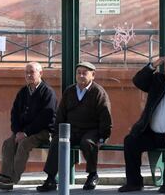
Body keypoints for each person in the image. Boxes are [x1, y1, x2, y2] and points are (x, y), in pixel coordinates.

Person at [118, 53, 165, 193]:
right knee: (131, 141)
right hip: (151, 132)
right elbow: (138, 81)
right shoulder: (158, 80)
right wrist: (153, 66)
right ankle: (134, 183)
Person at [36, 62, 112, 192]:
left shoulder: (98, 92)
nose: (81, 75)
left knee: (88, 143)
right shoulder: (70, 91)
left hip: (91, 130)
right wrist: (56, 133)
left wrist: (102, 137)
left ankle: (92, 175)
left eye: (84, 73)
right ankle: (50, 179)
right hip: (71, 130)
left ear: (93, 75)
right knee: (57, 141)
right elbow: (61, 114)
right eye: (78, 72)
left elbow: (105, 117)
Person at [0, 62, 57, 191]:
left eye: (32, 72)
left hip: (43, 131)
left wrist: (25, 133)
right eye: (26, 73)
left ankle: (13, 179)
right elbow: (14, 113)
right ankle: (4, 176)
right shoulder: (23, 92)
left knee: (24, 144)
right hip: (23, 131)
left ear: (40, 73)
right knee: (8, 143)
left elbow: (46, 117)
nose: (29, 75)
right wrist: (17, 131)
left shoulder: (47, 92)